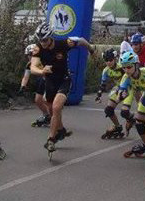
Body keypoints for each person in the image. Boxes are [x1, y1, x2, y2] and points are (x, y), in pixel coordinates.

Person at [30, 22, 96, 157]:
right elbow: (33, 67)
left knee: (56, 107)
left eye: (45, 40)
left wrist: (91, 50)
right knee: (51, 108)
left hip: (64, 80)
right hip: (49, 81)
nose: (42, 43)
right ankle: (60, 130)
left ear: (51, 37)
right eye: (40, 40)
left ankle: (51, 139)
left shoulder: (64, 43)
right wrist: (42, 71)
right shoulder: (37, 48)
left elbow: (82, 40)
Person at [95, 48, 132, 139]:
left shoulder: (122, 67)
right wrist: (99, 95)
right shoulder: (106, 70)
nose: (108, 62)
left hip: (128, 89)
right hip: (118, 89)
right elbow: (103, 84)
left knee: (125, 112)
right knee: (108, 110)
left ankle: (132, 119)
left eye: (110, 60)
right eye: (106, 60)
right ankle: (117, 126)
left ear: (115, 59)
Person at [20, 44, 52, 128]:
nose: (30, 57)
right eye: (28, 55)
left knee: (46, 100)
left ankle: (54, 117)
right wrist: (23, 86)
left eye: (31, 55)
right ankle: (47, 116)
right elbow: (26, 77)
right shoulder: (29, 64)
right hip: (42, 81)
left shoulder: (44, 60)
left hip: (51, 80)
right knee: (38, 100)